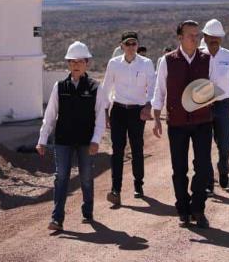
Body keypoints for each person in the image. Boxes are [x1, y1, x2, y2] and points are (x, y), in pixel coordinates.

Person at [151, 20, 216, 229]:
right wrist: (156, 117)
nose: (195, 39)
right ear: (180, 38)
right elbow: (160, 90)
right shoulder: (167, 61)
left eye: (197, 35)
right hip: (177, 122)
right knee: (179, 168)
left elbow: (214, 87)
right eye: (191, 35)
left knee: (204, 167)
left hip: (202, 121)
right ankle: (183, 210)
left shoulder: (207, 59)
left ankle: (198, 208)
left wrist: (207, 97)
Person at [36, 41, 106, 231]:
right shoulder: (59, 87)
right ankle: (57, 218)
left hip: (86, 141)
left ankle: (88, 211)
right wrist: (42, 140)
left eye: (80, 61)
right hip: (63, 140)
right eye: (72, 61)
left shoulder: (95, 88)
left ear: (87, 64)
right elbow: (50, 116)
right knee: (61, 177)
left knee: (86, 177)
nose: (76, 65)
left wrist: (95, 140)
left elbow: (101, 117)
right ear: (68, 64)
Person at [100, 31, 156, 206]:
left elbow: (153, 87)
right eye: (128, 44)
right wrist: (105, 111)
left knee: (137, 149)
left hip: (137, 112)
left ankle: (138, 185)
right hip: (118, 111)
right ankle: (115, 189)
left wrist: (148, 105)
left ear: (137, 45)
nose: (131, 47)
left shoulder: (146, 63)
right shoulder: (114, 64)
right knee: (117, 151)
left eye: (134, 44)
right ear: (121, 46)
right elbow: (106, 88)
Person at [200, 19, 229, 193]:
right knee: (203, 144)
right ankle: (209, 182)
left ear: (222, 38)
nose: (214, 40)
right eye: (211, 36)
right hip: (203, 105)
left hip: (224, 105)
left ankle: (223, 166)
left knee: (224, 143)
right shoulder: (198, 55)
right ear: (205, 36)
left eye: (218, 37)